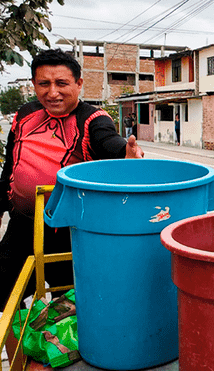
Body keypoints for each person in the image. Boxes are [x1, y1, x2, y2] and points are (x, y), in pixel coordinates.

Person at [0, 48, 144, 309]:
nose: (52, 92)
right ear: (34, 84)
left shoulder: (92, 119)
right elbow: (10, 166)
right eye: (44, 84)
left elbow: (108, 141)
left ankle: (66, 349)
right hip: (22, 226)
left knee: (69, 305)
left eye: (61, 83)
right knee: (5, 295)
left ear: (78, 84)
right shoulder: (24, 115)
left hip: (70, 231)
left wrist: (125, 153)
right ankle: (21, 349)